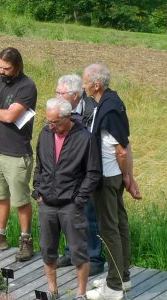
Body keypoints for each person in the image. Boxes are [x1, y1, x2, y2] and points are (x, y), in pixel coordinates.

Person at [83, 63, 144, 300]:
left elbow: (122, 149)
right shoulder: (112, 101)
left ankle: (114, 287)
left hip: (107, 178)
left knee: (109, 230)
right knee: (119, 224)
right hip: (115, 177)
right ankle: (123, 277)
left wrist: (128, 177)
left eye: (86, 81)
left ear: (96, 85)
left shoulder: (107, 109)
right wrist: (127, 177)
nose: (84, 84)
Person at [34, 98, 101, 300]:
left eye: (54, 122)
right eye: (48, 121)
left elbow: (93, 172)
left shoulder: (85, 138)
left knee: (79, 252)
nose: (51, 126)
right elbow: (39, 166)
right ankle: (52, 291)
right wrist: (37, 191)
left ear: (68, 117)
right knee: (47, 249)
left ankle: (80, 294)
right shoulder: (45, 134)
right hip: (47, 203)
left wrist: (79, 199)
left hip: (72, 205)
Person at [0, 47, 39, 262]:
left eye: (6, 68)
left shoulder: (27, 86)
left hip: (16, 151)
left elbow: (12, 116)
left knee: (20, 199)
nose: (2, 71)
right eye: (0, 67)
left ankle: (26, 240)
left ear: (18, 66)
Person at [54, 74, 105, 276]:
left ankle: (94, 258)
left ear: (75, 95)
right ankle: (71, 252)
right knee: (68, 214)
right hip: (67, 172)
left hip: (87, 171)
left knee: (89, 216)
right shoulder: (59, 109)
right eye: (56, 92)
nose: (57, 96)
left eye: (61, 93)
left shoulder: (93, 109)